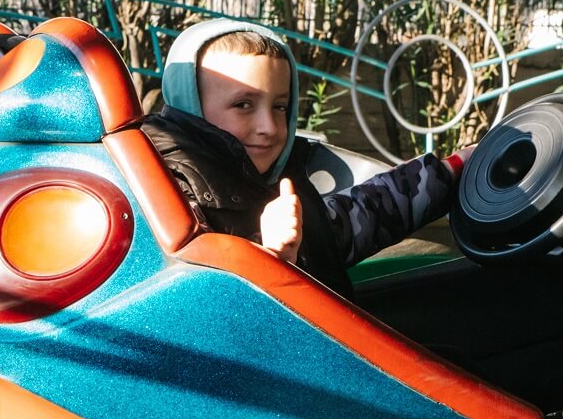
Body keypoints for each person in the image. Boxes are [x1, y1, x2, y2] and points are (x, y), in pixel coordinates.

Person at [142, 19, 468, 299]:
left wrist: (455, 167)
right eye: (243, 105)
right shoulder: (168, 197)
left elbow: (345, 224)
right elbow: (205, 318)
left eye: (280, 107)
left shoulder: (273, 181)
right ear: (191, 105)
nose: (270, 127)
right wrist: (273, 258)